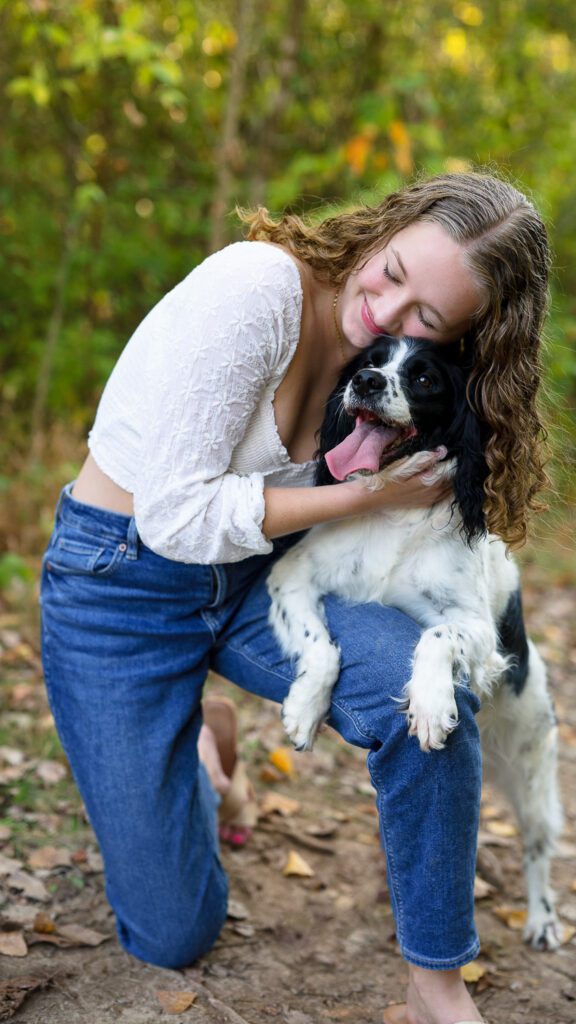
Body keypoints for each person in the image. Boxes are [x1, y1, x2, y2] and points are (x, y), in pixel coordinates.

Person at [40, 171, 550, 1024]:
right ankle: (205, 755)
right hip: (118, 583)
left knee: (425, 693)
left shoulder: (404, 370)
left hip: (264, 581)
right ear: (380, 229)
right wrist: (364, 498)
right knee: (172, 932)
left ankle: (435, 982)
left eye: (426, 319)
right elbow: (175, 519)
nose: (387, 318)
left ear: (463, 338)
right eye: (390, 274)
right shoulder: (258, 291)